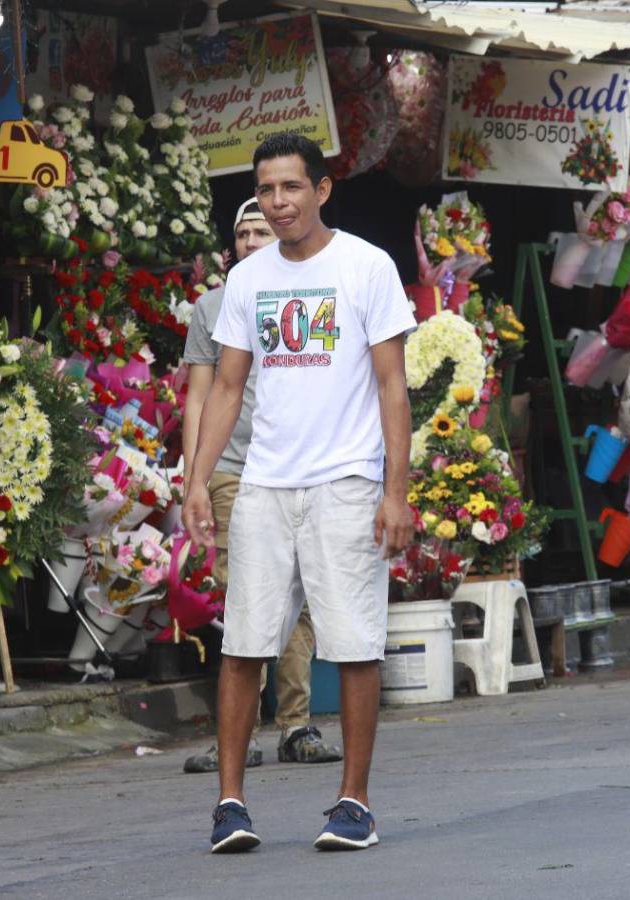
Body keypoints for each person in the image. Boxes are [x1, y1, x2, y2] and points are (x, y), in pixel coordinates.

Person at [183, 132, 415, 854]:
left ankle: (354, 802)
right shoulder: (248, 280)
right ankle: (229, 804)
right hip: (263, 485)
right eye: (266, 190)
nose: (279, 203)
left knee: (352, 644)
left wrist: (395, 492)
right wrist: (195, 478)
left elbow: (391, 385)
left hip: (346, 481)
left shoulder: (366, 266)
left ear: (322, 189)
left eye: (291, 188)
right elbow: (225, 386)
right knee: (244, 642)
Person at [180, 197, 343, 774]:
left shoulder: (302, 296)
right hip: (230, 467)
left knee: (299, 596)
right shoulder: (212, 307)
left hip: (293, 467)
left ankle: (295, 726)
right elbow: (201, 395)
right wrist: (192, 474)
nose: (251, 241)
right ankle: (240, 732)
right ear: (231, 248)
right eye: (242, 233)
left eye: (259, 231)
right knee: (242, 594)